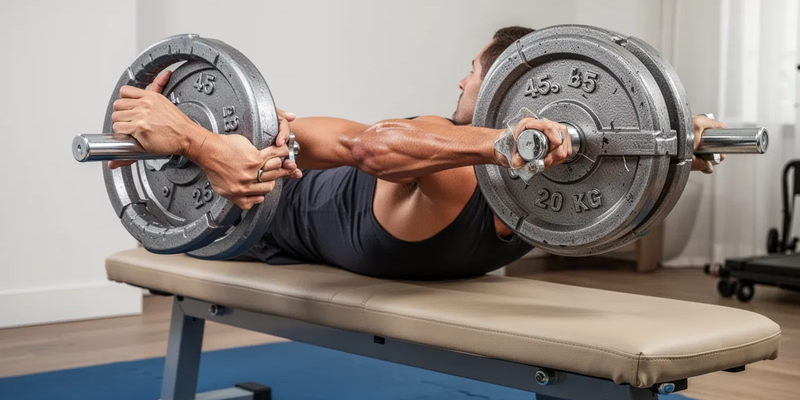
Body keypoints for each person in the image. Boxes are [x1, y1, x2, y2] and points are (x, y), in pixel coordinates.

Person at [107, 26, 725, 279]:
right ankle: (183, 137)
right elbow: (352, 144)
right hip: (244, 217)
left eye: (471, 71)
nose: (460, 81)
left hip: (254, 206)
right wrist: (197, 141)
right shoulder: (448, 150)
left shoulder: (545, 193)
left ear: (505, 87)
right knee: (255, 141)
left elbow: (604, 147)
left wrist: (671, 139)